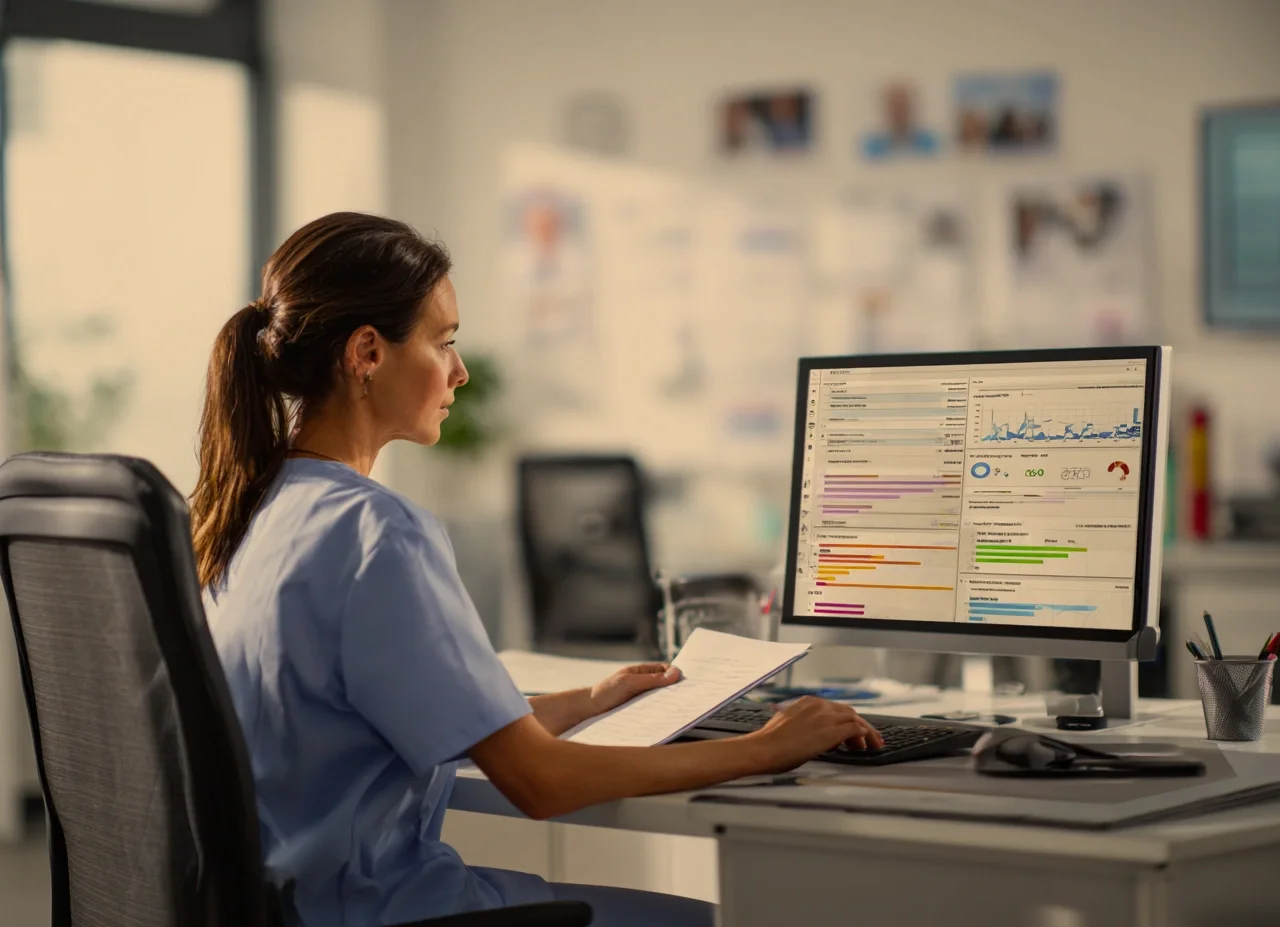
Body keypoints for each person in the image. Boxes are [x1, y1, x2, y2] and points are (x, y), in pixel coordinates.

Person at [192, 212, 882, 927]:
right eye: (444, 341)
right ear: (367, 351)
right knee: (724, 916)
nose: (458, 371)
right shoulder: (379, 533)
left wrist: (587, 698)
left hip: (296, 907)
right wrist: (764, 748)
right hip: (384, 909)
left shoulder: (241, 512)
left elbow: (382, 720)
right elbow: (540, 782)